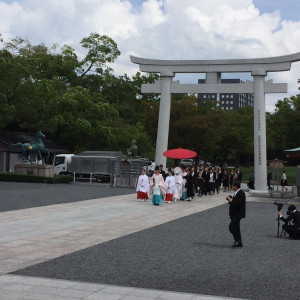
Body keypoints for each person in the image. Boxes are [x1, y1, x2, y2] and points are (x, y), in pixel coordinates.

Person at [226, 180, 246, 247]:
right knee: (237, 227)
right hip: (234, 213)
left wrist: (232, 201)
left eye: (232, 185)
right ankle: (239, 242)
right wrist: (230, 200)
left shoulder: (241, 193)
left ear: (235, 186)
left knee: (231, 227)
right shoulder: (235, 192)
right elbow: (234, 202)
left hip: (238, 213)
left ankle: (237, 239)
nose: (231, 186)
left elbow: (240, 204)